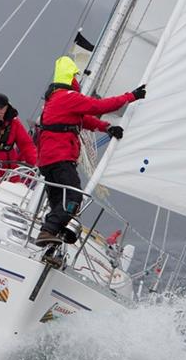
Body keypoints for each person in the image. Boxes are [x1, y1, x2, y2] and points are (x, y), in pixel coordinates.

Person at [35, 56, 145, 246]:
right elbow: (99, 106)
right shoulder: (68, 97)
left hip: (47, 160)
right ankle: (49, 230)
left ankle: (54, 234)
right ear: (71, 78)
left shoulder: (54, 100)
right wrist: (131, 96)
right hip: (61, 157)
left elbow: (83, 120)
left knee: (57, 199)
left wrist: (107, 127)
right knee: (74, 196)